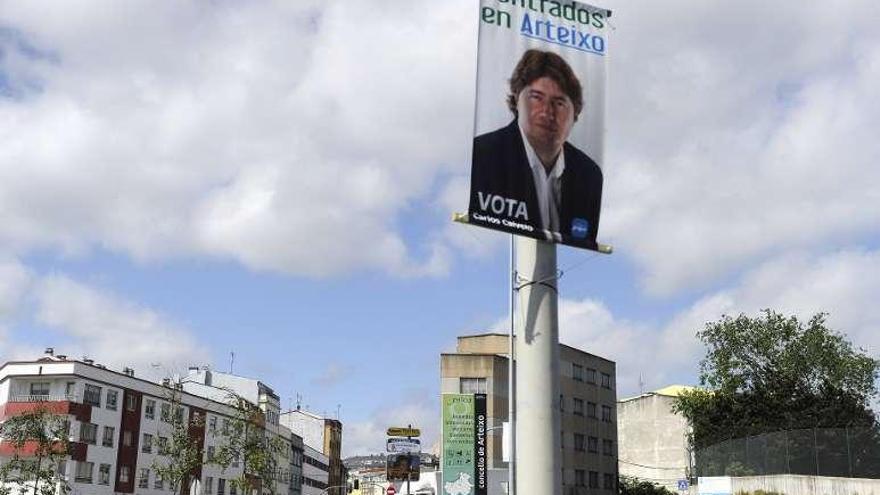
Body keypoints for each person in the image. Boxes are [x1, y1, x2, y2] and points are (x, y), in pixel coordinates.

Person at [469, 49, 603, 249]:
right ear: (516, 99)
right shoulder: (485, 154)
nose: (547, 112)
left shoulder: (589, 174)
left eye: (559, 103)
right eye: (536, 97)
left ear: (575, 112)